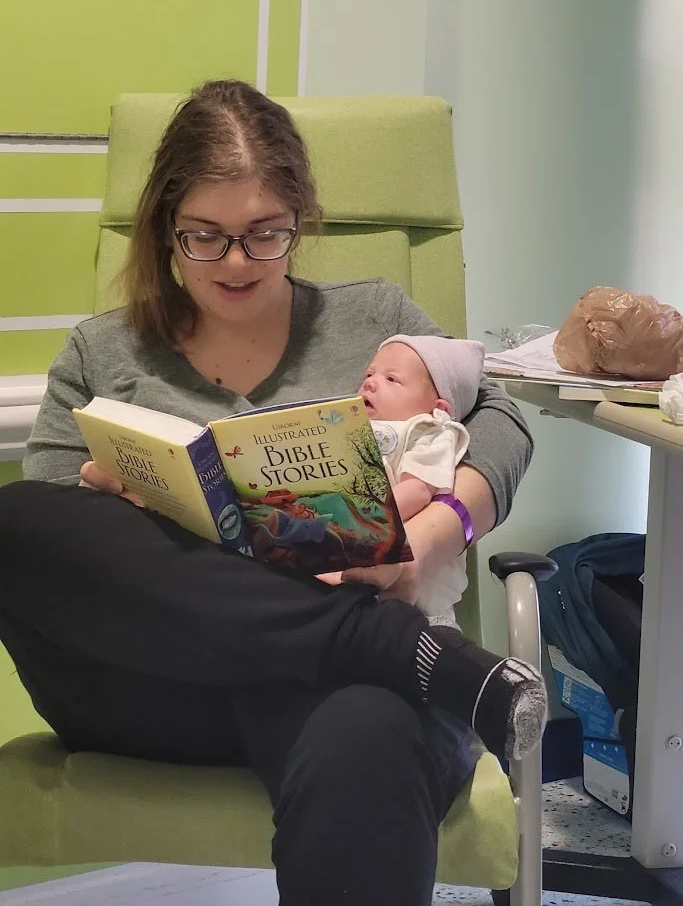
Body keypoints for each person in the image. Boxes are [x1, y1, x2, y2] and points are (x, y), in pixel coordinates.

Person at [0, 80, 543, 906]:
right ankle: (400, 648)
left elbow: (501, 423)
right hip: (149, 684)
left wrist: (431, 536)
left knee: (369, 740)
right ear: (164, 230)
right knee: (15, 522)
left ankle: (385, 654)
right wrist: (116, 509)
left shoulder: (376, 322)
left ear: (303, 218)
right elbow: (56, 559)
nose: (237, 261)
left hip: (335, 697)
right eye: (205, 238)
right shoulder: (102, 350)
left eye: (265, 235)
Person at [359, 334, 485, 628]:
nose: (370, 382)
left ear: (437, 406)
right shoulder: (357, 430)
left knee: (432, 650)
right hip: (373, 588)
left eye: (391, 379)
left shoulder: (430, 432)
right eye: (369, 374)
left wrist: (360, 518)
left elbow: (417, 491)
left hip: (427, 603)